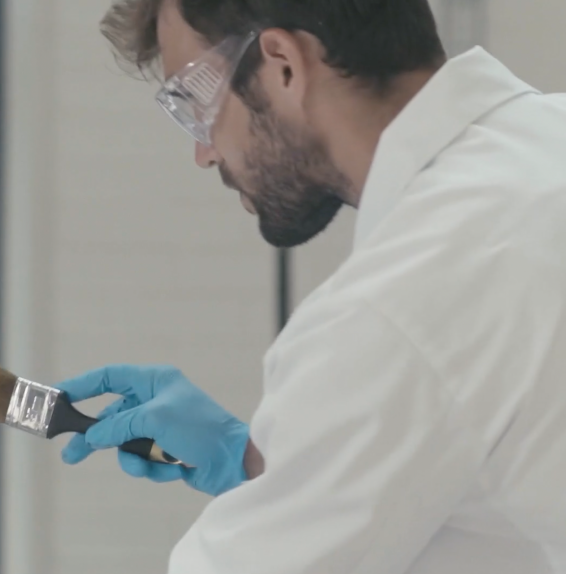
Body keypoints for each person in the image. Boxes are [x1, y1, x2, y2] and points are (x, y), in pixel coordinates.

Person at [55, 0, 566, 573]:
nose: (204, 152)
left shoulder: (394, 307)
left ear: (283, 64)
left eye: (196, 102)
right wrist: (263, 464)